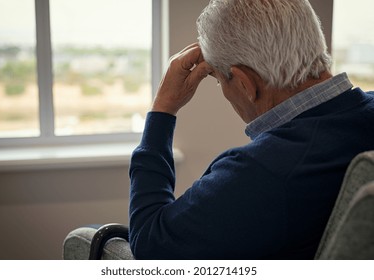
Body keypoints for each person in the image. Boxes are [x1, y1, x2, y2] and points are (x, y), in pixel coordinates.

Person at [128, 0, 374, 259]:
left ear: (245, 83)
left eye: (219, 80)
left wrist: (162, 109)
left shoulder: (266, 172)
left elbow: (149, 244)